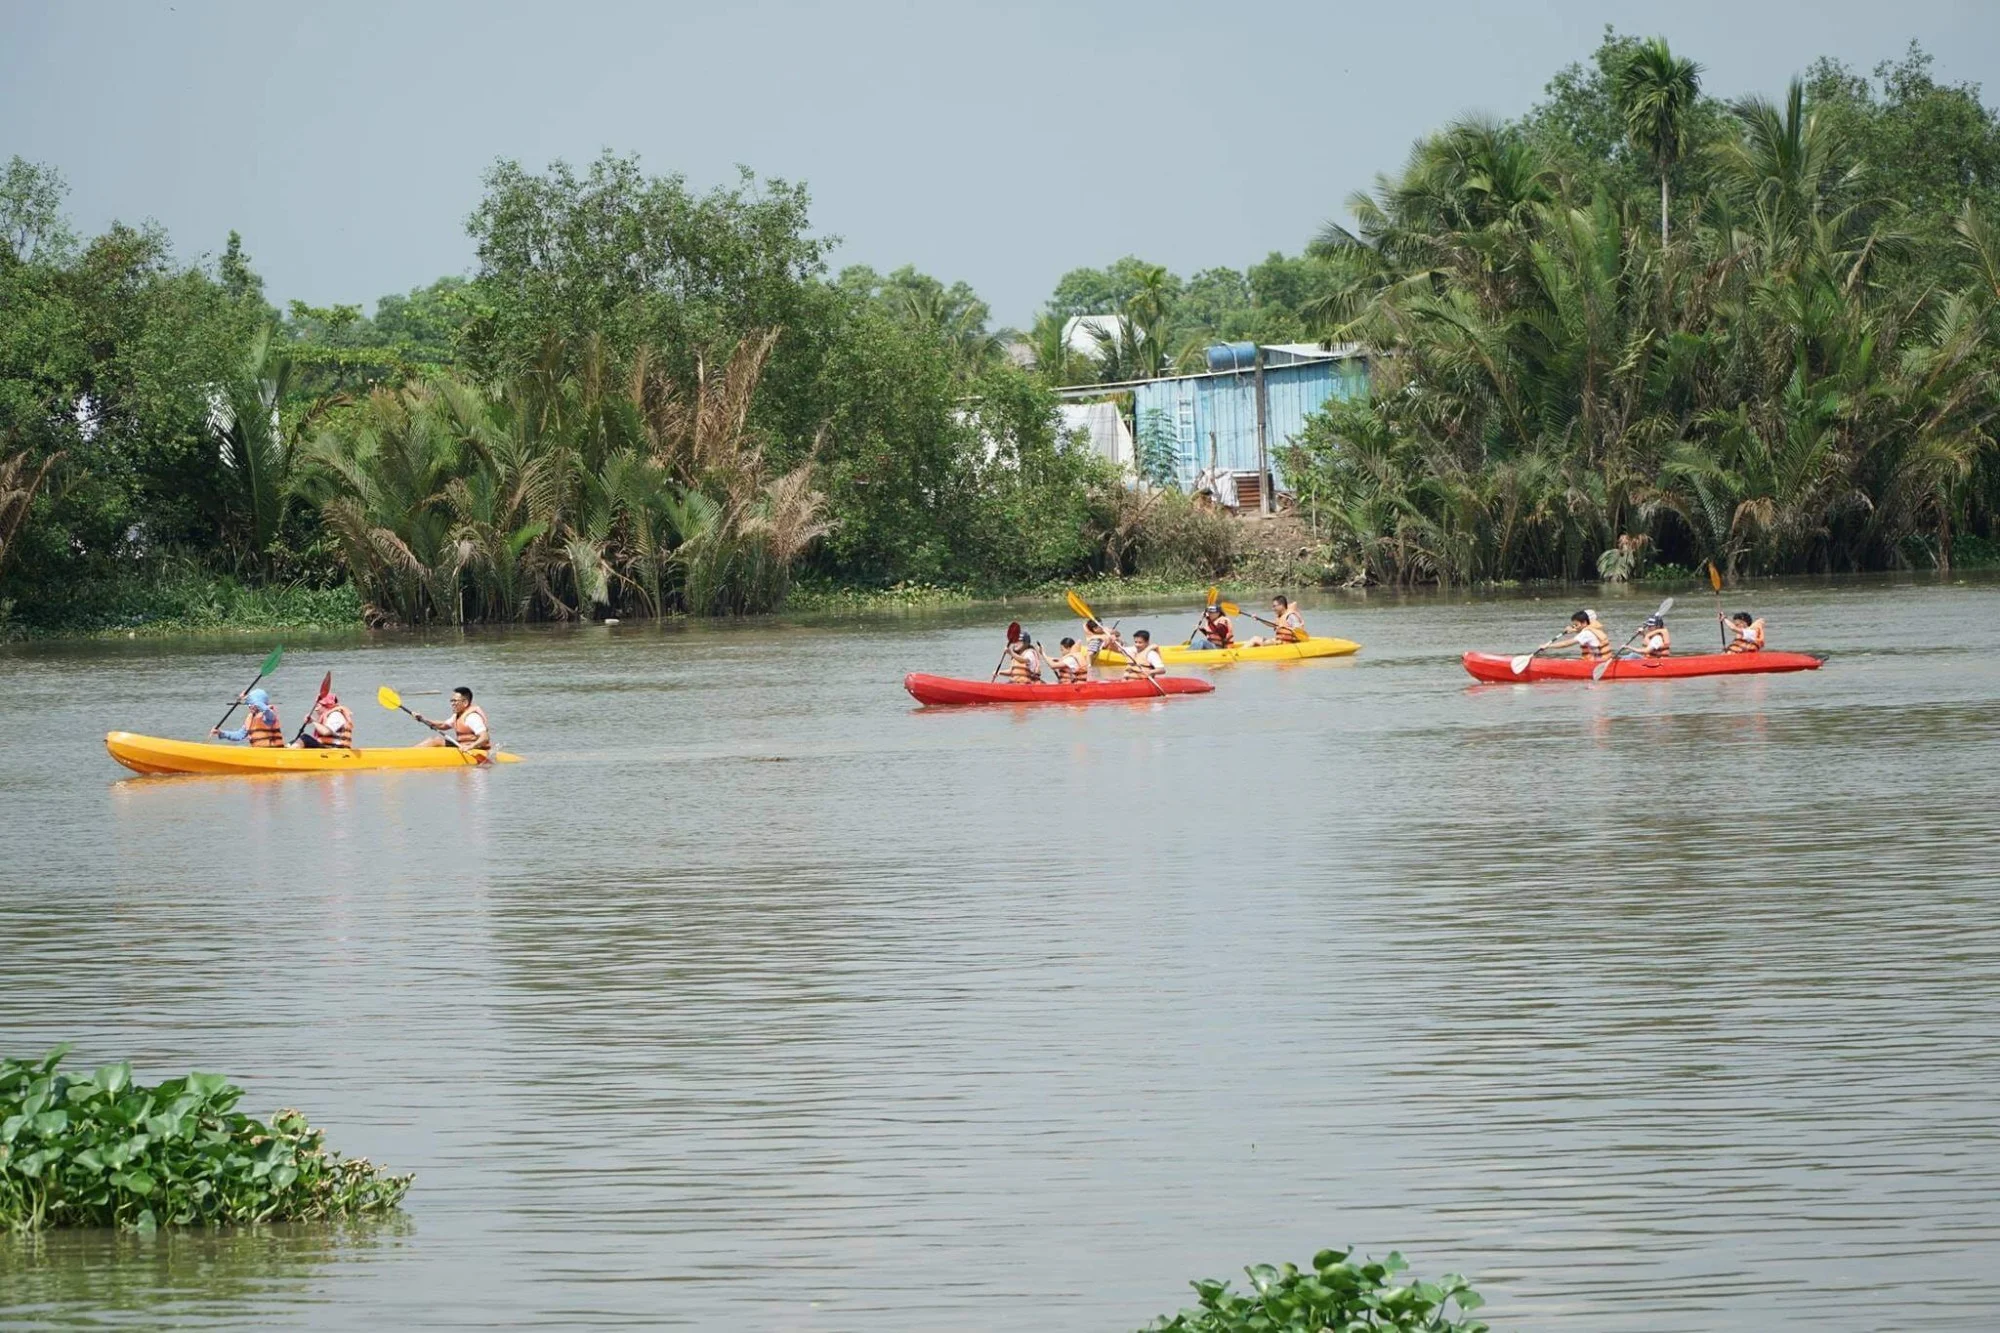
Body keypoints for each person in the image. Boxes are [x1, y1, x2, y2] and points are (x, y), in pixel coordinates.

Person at [413, 686, 491, 751]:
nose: (452, 704)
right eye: (451, 701)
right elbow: (443, 725)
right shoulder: (457, 715)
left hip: (476, 750)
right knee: (435, 740)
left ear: (465, 703)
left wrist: (470, 746)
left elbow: (485, 737)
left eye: (455, 701)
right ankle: (409, 752)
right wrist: (422, 719)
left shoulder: (472, 717)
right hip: (462, 746)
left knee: (436, 741)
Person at [211, 688, 283, 747]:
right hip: (259, 753)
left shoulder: (269, 716)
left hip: (273, 753)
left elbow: (265, 709)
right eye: (249, 704)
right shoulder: (251, 718)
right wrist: (221, 733)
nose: (250, 706)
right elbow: (239, 735)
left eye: (252, 704)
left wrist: (247, 698)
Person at [1542, 609, 1612, 661]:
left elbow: (1566, 643)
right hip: (1602, 661)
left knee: (1567, 660)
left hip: (1594, 663)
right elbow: (1582, 631)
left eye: (1576, 625)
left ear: (1584, 623)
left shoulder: (1586, 633)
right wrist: (1573, 630)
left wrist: (1548, 646)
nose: (1574, 626)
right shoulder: (1595, 629)